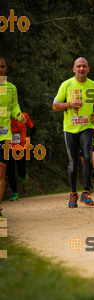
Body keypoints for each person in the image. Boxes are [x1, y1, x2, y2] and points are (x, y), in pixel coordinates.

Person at [53, 57, 94, 208]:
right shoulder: (66, 85)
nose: (81, 68)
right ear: (74, 69)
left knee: (87, 157)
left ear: (88, 69)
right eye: (78, 66)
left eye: (84, 66)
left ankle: (85, 192)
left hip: (86, 127)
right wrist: (69, 104)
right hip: (70, 129)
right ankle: (73, 193)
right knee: (73, 162)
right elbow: (55, 105)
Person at [0, 55, 26, 217]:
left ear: (6, 68)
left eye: (2, 66)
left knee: (1, 171)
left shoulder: (11, 88)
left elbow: (14, 106)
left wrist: (18, 115)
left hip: (4, 135)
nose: (0, 70)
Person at [7, 112, 36, 201]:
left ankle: (23, 174)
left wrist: (29, 137)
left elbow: (33, 127)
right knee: (10, 170)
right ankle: (14, 192)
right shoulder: (5, 116)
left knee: (20, 169)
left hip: (21, 146)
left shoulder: (24, 116)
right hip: (8, 146)